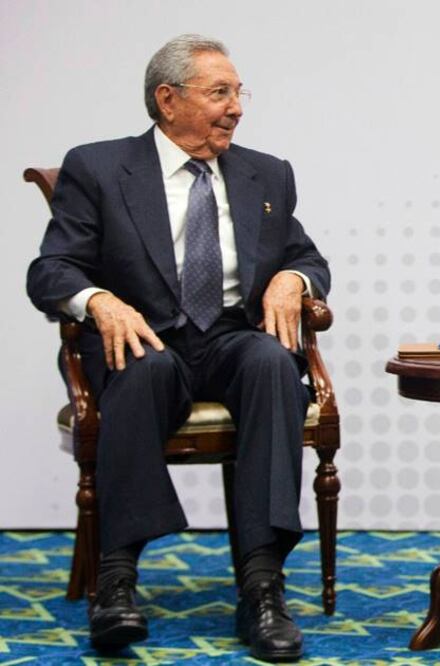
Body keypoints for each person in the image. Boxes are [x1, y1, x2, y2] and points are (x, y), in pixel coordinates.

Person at [26, 35, 330, 662]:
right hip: (141, 337)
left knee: (274, 362)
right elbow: (51, 270)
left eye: (239, 92)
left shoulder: (264, 173)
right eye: (220, 92)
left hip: (227, 340)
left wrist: (291, 278)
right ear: (168, 100)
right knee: (143, 366)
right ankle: (116, 580)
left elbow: (305, 254)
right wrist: (98, 302)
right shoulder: (100, 168)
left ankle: (263, 587)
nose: (237, 106)